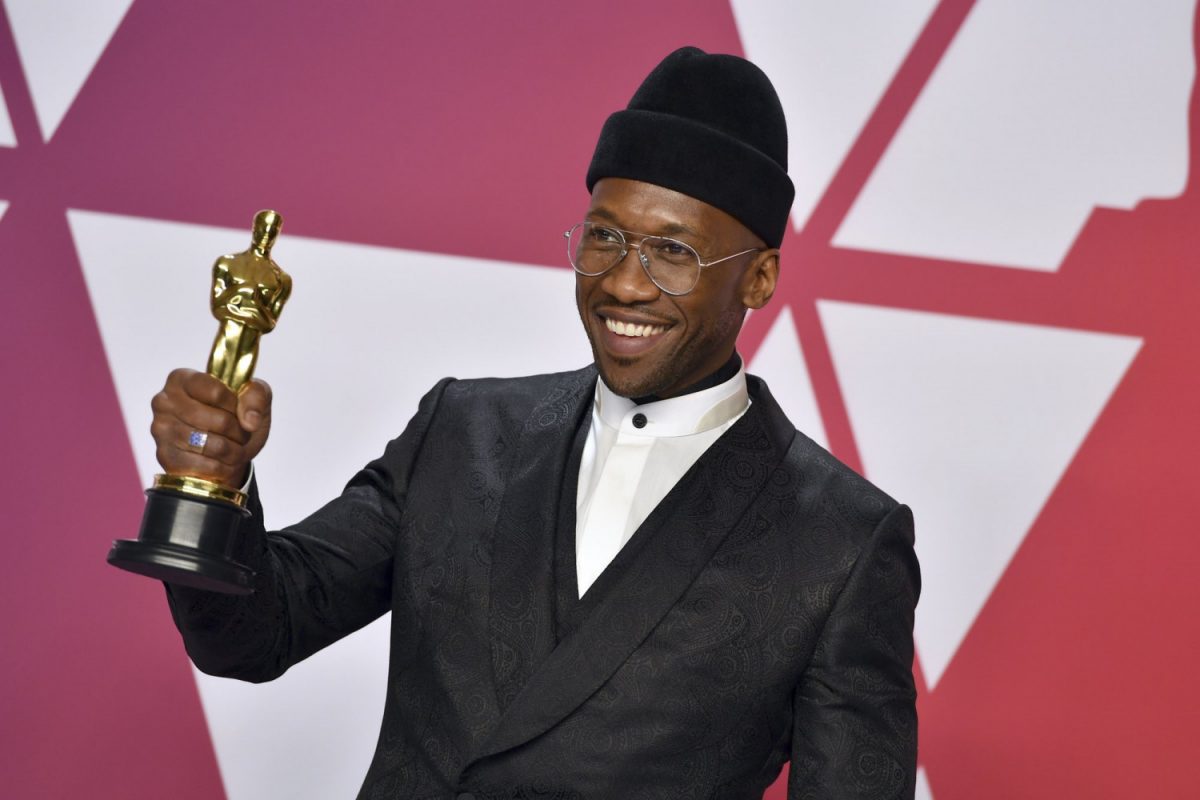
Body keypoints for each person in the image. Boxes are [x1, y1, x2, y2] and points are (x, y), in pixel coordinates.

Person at [151, 47, 920, 799]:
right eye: (604, 237)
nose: (623, 283)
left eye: (673, 253)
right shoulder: (462, 431)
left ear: (758, 278)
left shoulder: (842, 542)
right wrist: (210, 486)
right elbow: (255, 633)